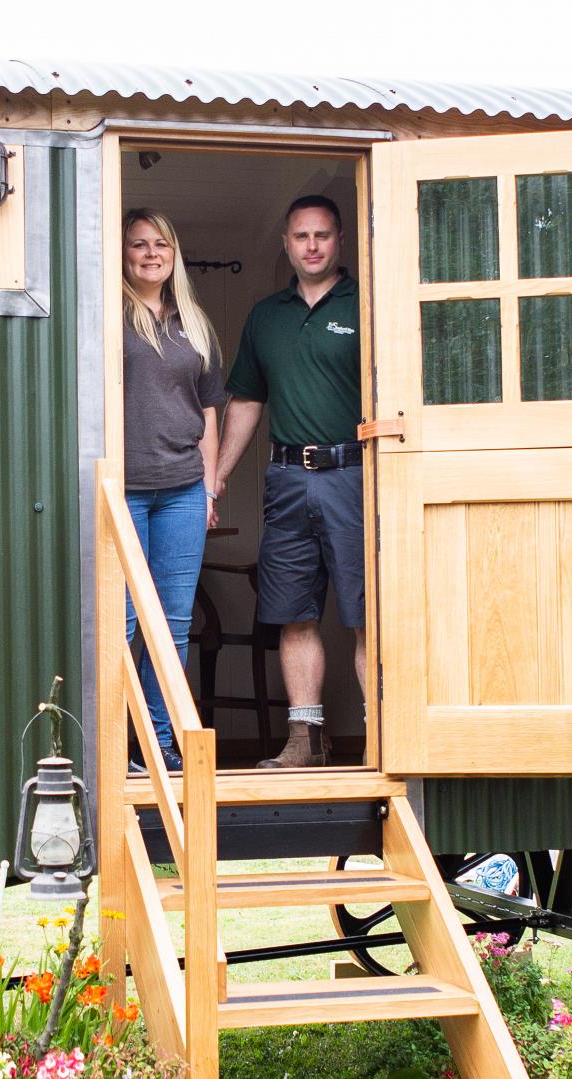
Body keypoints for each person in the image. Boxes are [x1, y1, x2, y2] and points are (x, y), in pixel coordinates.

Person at [216, 195, 364, 769]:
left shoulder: (367, 305)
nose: (311, 246)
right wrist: (218, 478)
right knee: (293, 610)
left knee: (364, 612)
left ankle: (383, 735)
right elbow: (248, 400)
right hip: (286, 478)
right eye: (301, 236)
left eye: (322, 236)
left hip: (353, 473)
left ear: (340, 240)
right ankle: (306, 740)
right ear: (285, 243)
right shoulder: (265, 315)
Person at [121, 208, 226, 773]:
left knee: (174, 625)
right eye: (139, 244)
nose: (150, 253)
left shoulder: (194, 322)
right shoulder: (113, 314)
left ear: (174, 251)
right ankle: (120, 743)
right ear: (124, 253)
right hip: (128, 492)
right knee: (127, 625)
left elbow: (209, 410)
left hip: (184, 490)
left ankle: (159, 744)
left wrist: (209, 487)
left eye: (161, 243)